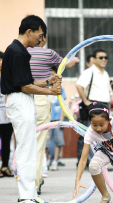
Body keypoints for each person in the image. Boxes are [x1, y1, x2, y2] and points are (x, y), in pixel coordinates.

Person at [1, 15, 62, 203]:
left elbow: (29, 82)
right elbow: (24, 86)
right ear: (30, 31)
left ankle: (30, 194)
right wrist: (51, 91)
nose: (41, 39)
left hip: (23, 100)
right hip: (20, 101)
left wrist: (47, 82)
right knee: (27, 150)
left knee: (30, 148)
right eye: (40, 34)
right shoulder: (17, 52)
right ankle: (26, 196)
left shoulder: (19, 51)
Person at [28, 33, 79, 195]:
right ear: (41, 37)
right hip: (39, 98)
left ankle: (26, 182)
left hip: (21, 99)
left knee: (24, 145)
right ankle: (33, 186)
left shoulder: (17, 53)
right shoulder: (47, 53)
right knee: (38, 144)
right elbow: (67, 64)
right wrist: (75, 59)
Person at [76, 48, 112, 169]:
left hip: (105, 105)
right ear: (94, 59)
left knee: (106, 135)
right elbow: (79, 85)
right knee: (91, 135)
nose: (104, 60)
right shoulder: (90, 71)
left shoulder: (105, 73)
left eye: (105, 57)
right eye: (101, 57)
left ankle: (103, 163)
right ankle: (93, 163)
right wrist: (85, 100)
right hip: (94, 105)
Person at [47, 67, 67, 171]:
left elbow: (63, 104)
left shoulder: (61, 88)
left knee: (58, 141)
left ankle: (55, 161)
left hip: (57, 119)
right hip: (47, 120)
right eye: (49, 74)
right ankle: (47, 161)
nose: (51, 77)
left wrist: (62, 119)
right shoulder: (45, 88)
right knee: (47, 142)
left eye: (53, 74)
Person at [0, 51, 14, 178]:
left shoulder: (8, 76)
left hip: (7, 114)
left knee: (6, 142)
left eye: (2, 61)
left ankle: (5, 166)